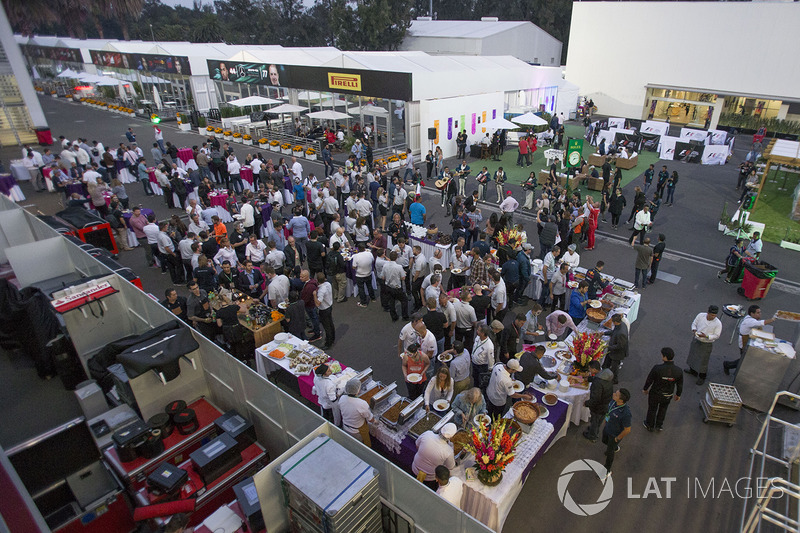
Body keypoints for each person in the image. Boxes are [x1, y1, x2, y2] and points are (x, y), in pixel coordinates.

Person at [723, 305, 778, 375]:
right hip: (744, 341)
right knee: (744, 360)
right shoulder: (750, 321)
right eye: (758, 313)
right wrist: (772, 319)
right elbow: (760, 323)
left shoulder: (750, 319)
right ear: (752, 314)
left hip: (748, 339)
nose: (760, 314)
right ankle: (728, 365)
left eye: (760, 312)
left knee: (745, 359)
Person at [642, 347, 683, 432]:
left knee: (652, 409)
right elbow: (680, 384)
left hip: (655, 394)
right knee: (663, 409)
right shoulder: (678, 371)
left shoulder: (657, 368)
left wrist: (645, 389)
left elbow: (649, 380)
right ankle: (659, 425)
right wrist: (678, 394)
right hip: (668, 395)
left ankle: (649, 424)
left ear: (664, 357)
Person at [412, 423, 457, 490]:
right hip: (429, 479)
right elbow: (450, 467)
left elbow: (417, 445)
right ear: (451, 437)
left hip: (415, 469)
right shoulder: (449, 451)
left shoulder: (428, 434)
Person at [600, 389, 632, 479]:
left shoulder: (626, 414)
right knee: (604, 440)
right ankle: (615, 447)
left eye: (616, 395)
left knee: (610, 453)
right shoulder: (613, 402)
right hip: (607, 428)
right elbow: (608, 412)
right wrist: (605, 422)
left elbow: (627, 429)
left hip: (614, 435)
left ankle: (607, 470)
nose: (614, 394)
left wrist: (617, 438)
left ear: (621, 400)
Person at [583, 362, 614, 442]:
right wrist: (589, 379)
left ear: (594, 369)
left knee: (595, 421)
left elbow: (595, 398)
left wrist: (587, 403)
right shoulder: (606, 374)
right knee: (599, 420)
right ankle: (594, 431)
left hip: (598, 407)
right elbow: (597, 378)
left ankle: (592, 436)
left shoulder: (598, 383)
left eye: (590, 369)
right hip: (606, 403)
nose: (589, 370)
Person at [339, 378, 374, 447]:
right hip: (358, 431)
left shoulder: (342, 398)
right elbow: (370, 419)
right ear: (358, 391)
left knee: (350, 444)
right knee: (361, 446)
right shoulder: (362, 403)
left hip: (345, 426)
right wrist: (375, 420)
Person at [602, 314, 628, 383]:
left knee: (614, 368)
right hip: (612, 349)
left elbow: (620, 346)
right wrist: (603, 333)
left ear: (615, 322)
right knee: (607, 362)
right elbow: (613, 332)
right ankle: (605, 373)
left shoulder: (621, 333)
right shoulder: (621, 324)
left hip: (617, 353)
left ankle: (614, 380)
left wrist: (608, 347)